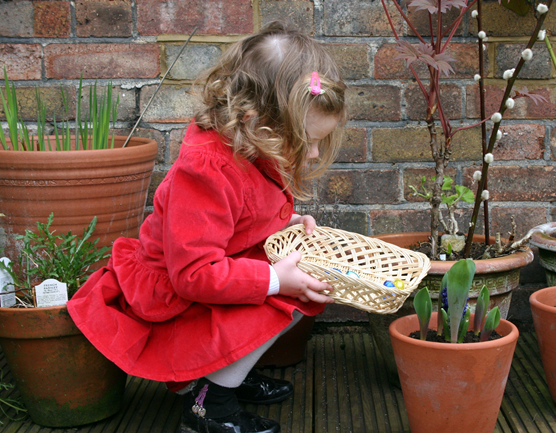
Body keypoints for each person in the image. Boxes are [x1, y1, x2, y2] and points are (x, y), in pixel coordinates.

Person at [67, 21, 346, 433]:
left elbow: (239, 219)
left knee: (293, 282)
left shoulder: (250, 145)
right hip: (178, 294)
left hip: (209, 275)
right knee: (286, 299)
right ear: (256, 119)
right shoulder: (205, 171)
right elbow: (194, 274)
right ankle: (208, 403)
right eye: (306, 142)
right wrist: (274, 278)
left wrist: (284, 222)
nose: (314, 153)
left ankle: (224, 375)